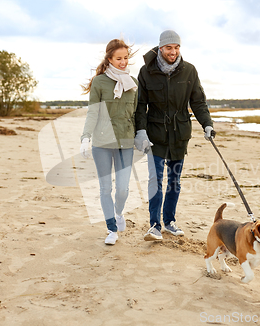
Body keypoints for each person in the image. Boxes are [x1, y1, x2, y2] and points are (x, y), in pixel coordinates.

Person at [134, 30, 215, 241]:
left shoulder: (189, 71)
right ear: (161, 48)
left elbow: (198, 101)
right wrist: (140, 131)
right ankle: (154, 225)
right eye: (169, 47)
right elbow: (140, 106)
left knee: (174, 181)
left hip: (179, 135)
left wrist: (207, 124)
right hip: (155, 136)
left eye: (177, 47)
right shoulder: (146, 72)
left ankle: (169, 222)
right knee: (155, 180)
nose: (173, 51)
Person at [80, 39, 138, 245]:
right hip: (102, 143)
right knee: (106, 189)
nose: (123, 62)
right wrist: (85, 137)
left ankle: (119, 213)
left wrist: (142, 135)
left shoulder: (133, 83)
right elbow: (92, 113)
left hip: (125, 142)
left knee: (123, 189)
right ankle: (111, 229)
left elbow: (137, 114)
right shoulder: (100, 82)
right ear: (110, 59)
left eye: (125, 58)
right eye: (118, 59)